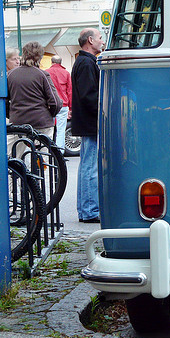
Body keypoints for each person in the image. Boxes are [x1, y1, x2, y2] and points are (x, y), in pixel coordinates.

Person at [71, 28, 105, 223]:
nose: (102, 41)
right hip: (91, 122)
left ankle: (86, 210)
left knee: (87, 166)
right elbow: (89, 96)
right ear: (90, 40)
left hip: (86, 121)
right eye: (100, 38)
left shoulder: (83, 61)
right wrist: (103, 113)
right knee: (90, 167)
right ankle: (90, 210)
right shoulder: (86, 63)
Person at [7, 41, 63, 155]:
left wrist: (12, 113)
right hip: (41, 122)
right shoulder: (42, 74)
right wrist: (50, 114)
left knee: (14, 156)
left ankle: (16, 171)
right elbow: (55, 102)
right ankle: (43, 170)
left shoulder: (11, 75)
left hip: (18, 122)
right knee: (45, 157)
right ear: (40, 57)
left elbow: (5, 101)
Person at [46, 55, 72, 153]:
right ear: (60, 62)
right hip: (63, 105)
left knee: (49, 129)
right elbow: (70, 91)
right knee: (61, 130)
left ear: (52, 62)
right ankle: (59, 152)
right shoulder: (66, 73)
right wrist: (70, 108)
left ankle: (48, 150)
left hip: (50, 105)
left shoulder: (46, 72)